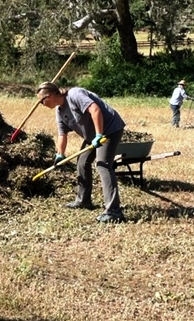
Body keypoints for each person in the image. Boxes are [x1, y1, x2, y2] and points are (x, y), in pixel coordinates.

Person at [36, 82, 126, 223]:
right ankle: (83, 200)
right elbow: (62, 134)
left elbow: (95, 110)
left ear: (50, 95)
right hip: (93, 135)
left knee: (103, 165)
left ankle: (114, 211)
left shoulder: (75, 95)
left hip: (109, 129)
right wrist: (60, 154)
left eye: (42, 100)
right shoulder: (60, 111)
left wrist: (99, 134)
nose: (41, 104)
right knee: (82, 163)